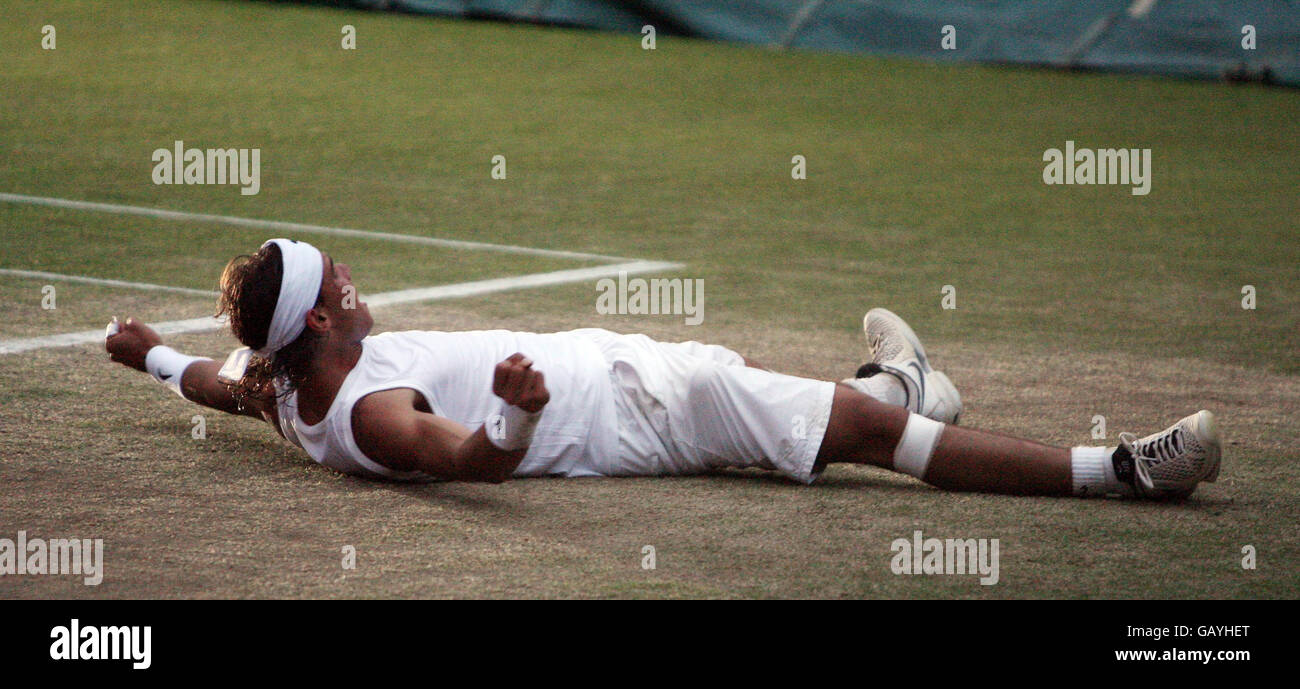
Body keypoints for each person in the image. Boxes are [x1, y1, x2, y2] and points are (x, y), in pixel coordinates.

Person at [105, 238, 1221, 499]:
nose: (354, 277)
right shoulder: (366, 407)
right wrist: (511, 415)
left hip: (628, 370)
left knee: (846, 416)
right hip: (652, 412)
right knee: (871, 443)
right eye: (339, 277)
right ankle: (1117, 469)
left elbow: (217, 377)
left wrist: (148, 352)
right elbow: (464, 460)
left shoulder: (279, 386)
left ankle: (901, 381)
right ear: (327, 314)